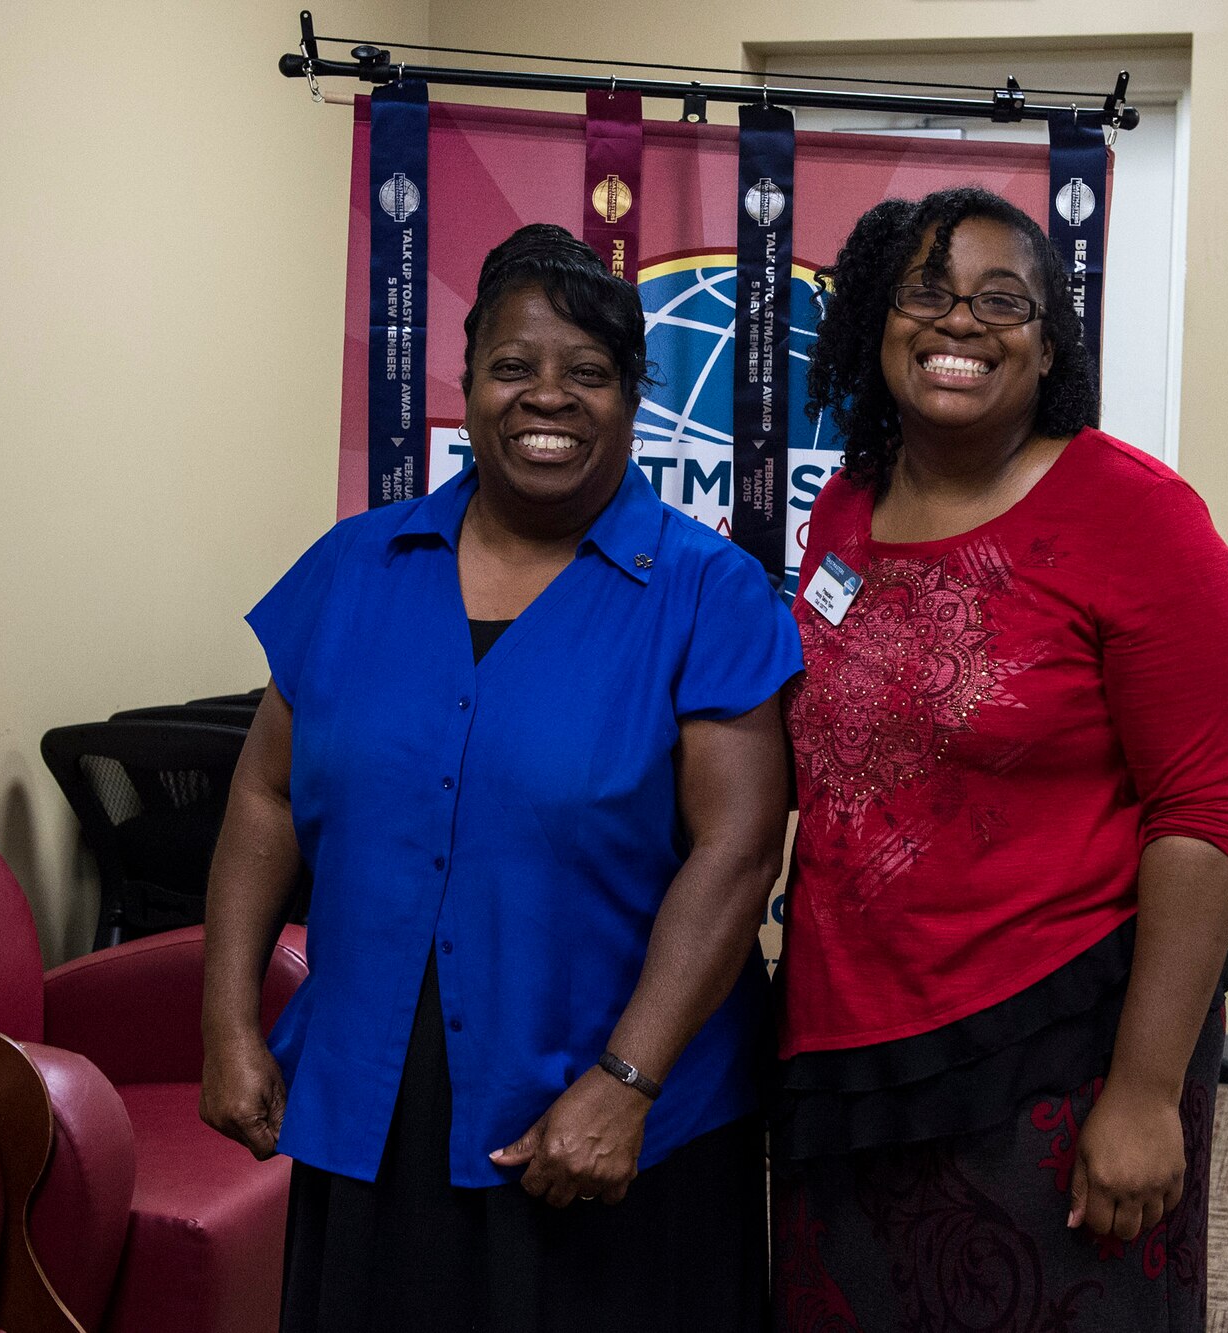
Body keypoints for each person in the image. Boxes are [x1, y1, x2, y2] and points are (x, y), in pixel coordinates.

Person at [199, 223, 801, 1333]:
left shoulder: (707, 591)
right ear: (468, 383)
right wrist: (229, 1021)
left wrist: (626, 1081)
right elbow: (265, 795)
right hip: (376, 1092)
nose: (546, 398)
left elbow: (738, 848)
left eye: (587, 373)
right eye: (513, 368)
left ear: (631, 399)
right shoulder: (352, 566)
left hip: (608, 1109)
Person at [771, 187, 1228, 1332]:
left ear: (1048, 343)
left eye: (1003, 301)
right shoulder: (843, 506)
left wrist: (1142, 1094)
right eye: (926, 293)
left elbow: (1201, 813)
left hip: (1053, 1039)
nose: (961, 324)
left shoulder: (1135, 515)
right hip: (846, 1030)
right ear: (874, 321)